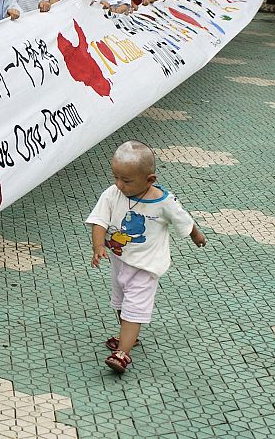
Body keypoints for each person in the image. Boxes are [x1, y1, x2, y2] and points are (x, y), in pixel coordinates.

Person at [87, 141, 206, 374]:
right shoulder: (113, 194)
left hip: (146, 265)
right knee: (120, 302)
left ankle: (123, 353)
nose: (120, 185)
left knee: (134, 306)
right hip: (120, 261)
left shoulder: (163, 201)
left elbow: (183, 219)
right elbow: (99, 220)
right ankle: (127, 337)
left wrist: (196, 235)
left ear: (149, 179)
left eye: (127, 181)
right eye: (116, 177)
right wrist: (98, 245)